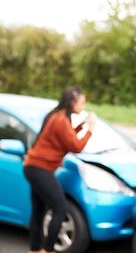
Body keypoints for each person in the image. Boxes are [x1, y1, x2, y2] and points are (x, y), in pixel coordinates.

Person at [24, 86, 97, 253]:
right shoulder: (61, 120)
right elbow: (75, 146)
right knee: (60, 209)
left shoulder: (58, 116)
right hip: (40, 169)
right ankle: (47, 250)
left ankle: (34, 250)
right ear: (72, 102)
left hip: (33, 167)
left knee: (38, 210)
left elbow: (67, 136)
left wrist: (82, 125)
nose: (83, 106)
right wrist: (90, 128)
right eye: (82, 103)